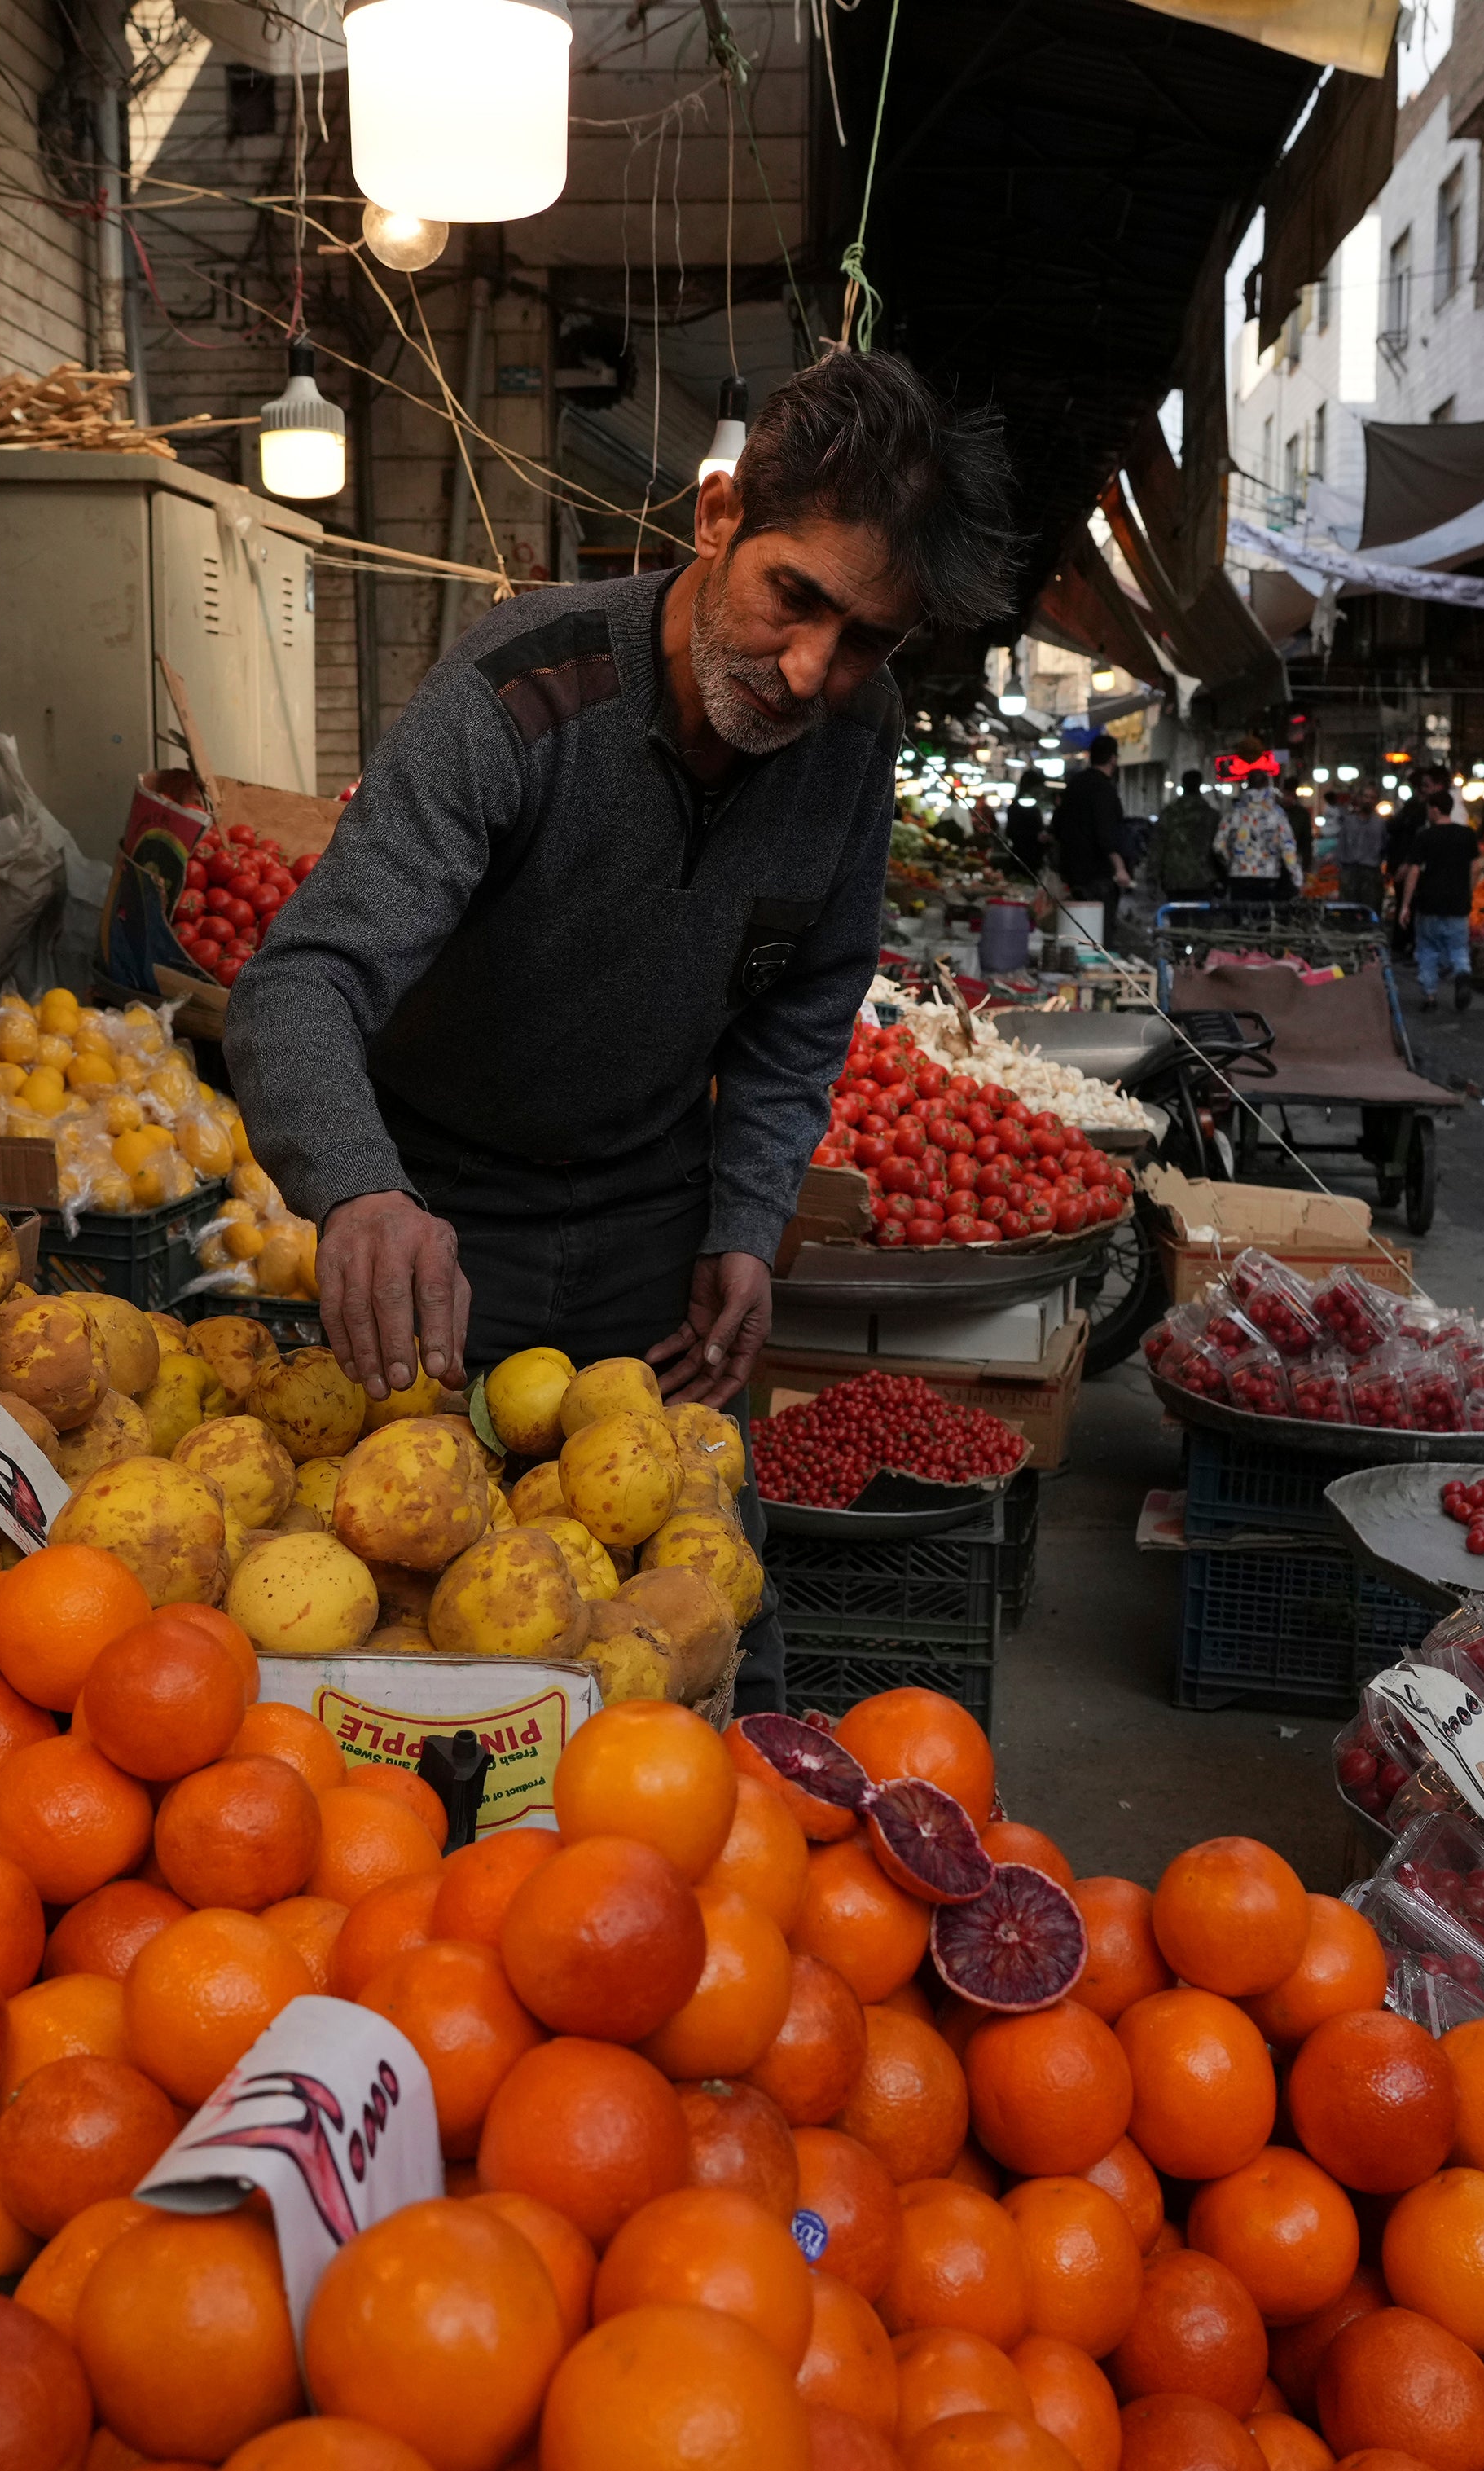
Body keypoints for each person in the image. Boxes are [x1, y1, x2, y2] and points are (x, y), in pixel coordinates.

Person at [225, 349, 1018, 1705]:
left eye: (870, 637)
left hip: (650, 1232)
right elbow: (302, 980)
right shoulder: (517, 697)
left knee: (698, 1615)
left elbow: (805, 1000)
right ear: (718, 519)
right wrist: (360, 1190)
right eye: (795, 597)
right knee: (434, 1634)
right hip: (440, 1230)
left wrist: (745, 1221)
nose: (815, 668)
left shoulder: (855, 734)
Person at [1395, 791, 1481, 1009]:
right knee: (1459, 948)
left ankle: (1430, 997)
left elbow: (1414, 872)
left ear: (1434, 809)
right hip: (1458, 904)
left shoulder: (1425, 836)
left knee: (1427, 950)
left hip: (1429, 903)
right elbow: (1476, 867)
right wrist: (1468, 892)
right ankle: (1462, 974)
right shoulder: (1467, 834)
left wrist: (1405, 905)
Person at [1047, 732, 1131, 950]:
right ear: (1113, 758)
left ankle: (1073, 974)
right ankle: (1097, 977)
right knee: (1099, 937)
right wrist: (1120, 867)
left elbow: (1056, 827)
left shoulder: (1075, 784)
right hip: (1098, 877)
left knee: (1073, 934)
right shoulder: (1104, 789)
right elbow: (1106, 834)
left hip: (1071, 874)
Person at [1216, 760, 1299, 904]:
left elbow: (1218, 845)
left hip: (1239, 877)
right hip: (1269, 877)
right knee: (1264, 921)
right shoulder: (1277, 814)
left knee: (1240, 921)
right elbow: (1288, 847)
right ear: (1267, 786)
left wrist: (1232, 862)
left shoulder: (1233, 813)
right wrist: (1296, 877)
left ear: (1247, 785)